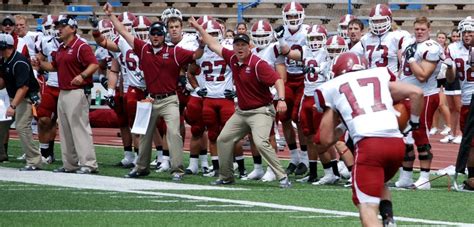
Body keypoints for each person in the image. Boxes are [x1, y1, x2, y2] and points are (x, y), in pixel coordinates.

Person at [315, 52, 424, 226]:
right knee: (379, 180)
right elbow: (417, 92)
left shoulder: (331, 87)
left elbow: (324, 141)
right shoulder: (379, 74)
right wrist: (414, 124)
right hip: (396, 143)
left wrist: (342, 124)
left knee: (367, 208)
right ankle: (388, 219)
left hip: (369, 145)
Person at [104, 3, 202, 180]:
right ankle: (141, 167)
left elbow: (196, 56)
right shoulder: (143, 48)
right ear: (149, 36)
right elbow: (124, 33)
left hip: (170, 99)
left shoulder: (174, 52)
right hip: (150, 98)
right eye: (153, 34)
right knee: (144, 134)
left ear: (164, 36)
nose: (156, 37)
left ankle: (177, 169)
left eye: (159, 34)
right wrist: (111, 16)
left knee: (173, 133)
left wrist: (202, 41)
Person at [189, 16, 291, 188]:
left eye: (243, 45)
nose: (240, 48)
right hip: (243, 112)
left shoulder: (258, 63)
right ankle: (226, 176)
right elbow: (213, 44)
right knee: (223, 139)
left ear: (249, 46)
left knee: (260, 141)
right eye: (237, 45)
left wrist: (281, 99)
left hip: (261, 110)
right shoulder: (232, 58)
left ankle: (282, 176)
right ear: (233, 46)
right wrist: (199, 27)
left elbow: (278, 80)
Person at [34, 17, 99, 174]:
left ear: (73, 28)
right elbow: (53, 67)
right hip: (64, 91)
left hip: (77, 91)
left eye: (63, 26)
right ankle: (70, 164)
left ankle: (89, 164)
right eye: (58, 26)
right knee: (65, 129)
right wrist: (40, 64)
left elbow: (94, 64)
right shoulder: (61, 48)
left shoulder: (81, 46)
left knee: (79, 128)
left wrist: (82, 76)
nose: (59, 29)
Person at [396, 17, 443, 190]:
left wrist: (410, 60)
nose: (419, 32)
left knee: (420, 136)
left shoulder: (431, 47)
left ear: (429, 30)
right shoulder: (409, 42)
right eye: (417, 29)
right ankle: (406, 176)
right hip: (407, 94)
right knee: (404, 138)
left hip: (424, 96)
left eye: (422, 29)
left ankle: (424, 178)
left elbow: (423, 75)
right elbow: (403, 70)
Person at [0, 33, 42, 171]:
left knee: (22, 127)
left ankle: (34, 160)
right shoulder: (5, 60)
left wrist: (12, 105)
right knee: (3, 124)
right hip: (15, 95)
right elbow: (3, 81)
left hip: (26, 97)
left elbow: (24, 87)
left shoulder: (19, 62)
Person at [280, 1, 310, 176]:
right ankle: (294, 157)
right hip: (286, 76)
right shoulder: (280, 32)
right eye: (289, 16)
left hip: (304, 77)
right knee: (283, 117)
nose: (292, 19)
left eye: (294, 16)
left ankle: (305, 158)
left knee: (299, 118)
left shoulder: (307, 32)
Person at [445, 16, 474, 190]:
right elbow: (451, 79)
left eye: (470, 32)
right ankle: (472, 176)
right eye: (465, 32)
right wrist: (449, 67)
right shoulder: (453, 49)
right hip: (466, 99)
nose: (467, 35)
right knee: (470, 141)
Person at [34, 14, 61, 163]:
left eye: (54, 26)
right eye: (48, 27)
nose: (52, 30)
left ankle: (74, 156)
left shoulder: (77, 43)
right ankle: (45, 153)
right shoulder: (45, 42)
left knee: (65, 124)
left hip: (67, 87)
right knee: (44, 119)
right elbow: (40, 59)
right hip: (51, 85)